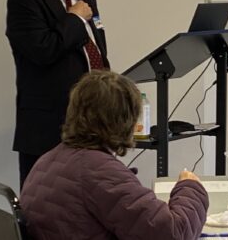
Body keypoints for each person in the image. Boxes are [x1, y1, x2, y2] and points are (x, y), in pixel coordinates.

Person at [21, 70, 209, 239]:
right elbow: (174, 233)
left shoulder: (48, 160)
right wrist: (190, 187)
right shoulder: (98, 171)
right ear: (125, 120)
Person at [6, 0, 109, 188]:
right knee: (45, 203)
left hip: (92, 121)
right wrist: (74, 19)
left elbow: (97, 52)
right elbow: (43, 50)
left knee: (88, 200)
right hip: (48, 127)